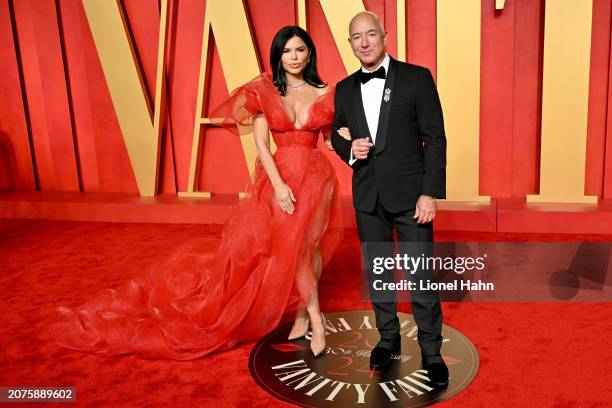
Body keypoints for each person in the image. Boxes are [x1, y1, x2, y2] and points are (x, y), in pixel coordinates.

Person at [50, 26, 343, 360]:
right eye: (287, 51)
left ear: (309, 53)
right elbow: (261, 145)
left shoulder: (324, 91)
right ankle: (315, 318)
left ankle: (307, 314)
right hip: (281, 178)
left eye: (300, 50)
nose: (294, 57)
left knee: (309, 245)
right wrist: (278, 187)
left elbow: (330, 141)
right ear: (278, 55)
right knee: (291, 247)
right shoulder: (264, 91)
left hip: (317, 177)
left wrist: (351, 140)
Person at [331, 12, 449, 387]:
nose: (364, 42)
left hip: (413, 198)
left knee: (421, 279)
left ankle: (432, 351)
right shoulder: (344, 89)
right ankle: (387, 338)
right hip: (368, 197)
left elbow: (435, 137)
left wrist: (430, 192)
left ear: (384, 35)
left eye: (370, 34)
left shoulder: (417, 78)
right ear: (349, 44)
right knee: (379, 274)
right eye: (356, 37)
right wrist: (350, 147)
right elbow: (336, 134)